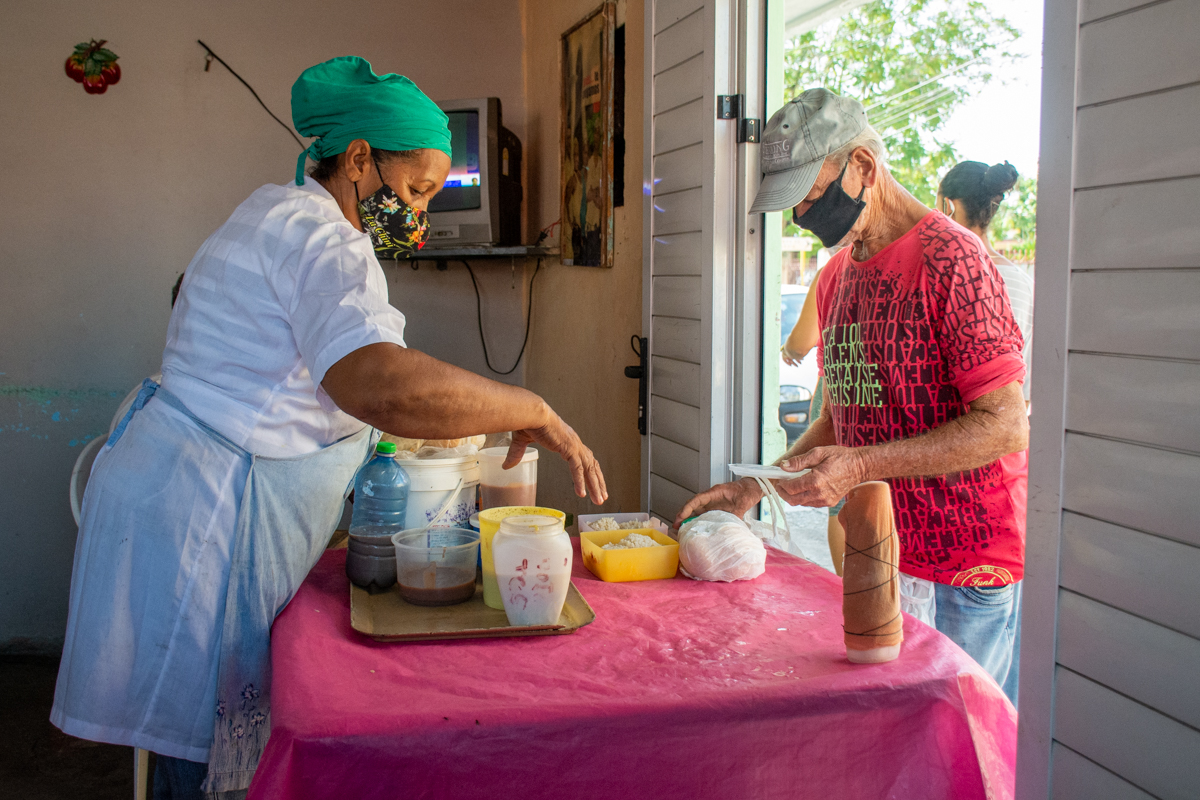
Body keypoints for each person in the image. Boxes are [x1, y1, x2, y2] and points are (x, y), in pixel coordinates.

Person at [51, 56, 608, 799]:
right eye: (414, 189)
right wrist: (532, 408)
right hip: (204, 520)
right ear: (356, 160)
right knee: (203, 761)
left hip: (178, 492)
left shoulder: (273, 210)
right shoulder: (323, 239)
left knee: (192, 755)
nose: (419, 213)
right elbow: (376, 381)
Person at [677, 88, 1028, 703]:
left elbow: (1004, 428)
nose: (804, 217)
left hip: (967, 563)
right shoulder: (839, 276)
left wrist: (863, 466)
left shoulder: (954, 260)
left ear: (863, 168)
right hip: (884, 552)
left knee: (962, 738)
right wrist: (756, 487)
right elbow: (845, 420)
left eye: (811, 197)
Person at [937, 161, 1034, 403]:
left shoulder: (944, 273)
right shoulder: (1024, 282)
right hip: (1007, 423)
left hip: (952, 427)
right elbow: (1026, 384)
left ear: (948, 205)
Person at [780, 267, 846, 576]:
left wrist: (787, 350)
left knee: (844, 502)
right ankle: (851, 587)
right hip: (839, 393)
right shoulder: (838, 271)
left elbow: (798, 344)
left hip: (831, 383)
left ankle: (849, 585)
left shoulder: (828, 273)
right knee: (845, 495)